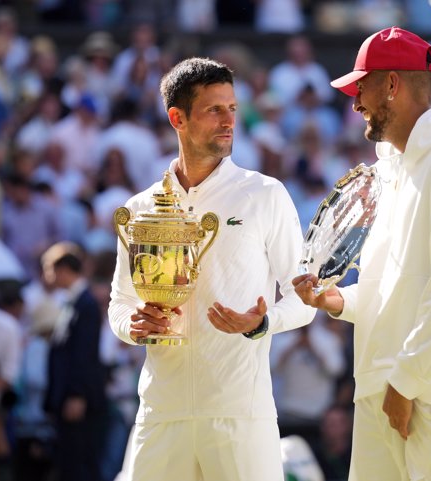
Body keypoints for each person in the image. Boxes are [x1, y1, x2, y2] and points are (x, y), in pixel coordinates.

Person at [293, 27, 431, 481]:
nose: (355, 103)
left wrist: (406, 381)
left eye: (361, 87)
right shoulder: (390, 171)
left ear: (391, 84)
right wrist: (340, 301)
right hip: (382, 389)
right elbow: (390, 285)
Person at [108, 56, 316, 481]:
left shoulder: (265, 194)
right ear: (177, 118)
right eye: (214, 110)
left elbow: (304, 299)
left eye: (232, 109)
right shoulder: (140, 209)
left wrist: (263, 322)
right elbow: (119, 304)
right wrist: (135, 324)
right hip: (161, 413)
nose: (229, 121)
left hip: (239, 414)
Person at [41, 241, 108, 481]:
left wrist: (77, 395)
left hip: (78, 401)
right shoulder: (74, 302)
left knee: (81, 462)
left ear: (64, 270)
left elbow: (84, 353)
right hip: (68, 397)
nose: (48, 276)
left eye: (50, 269)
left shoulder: (85, 304)